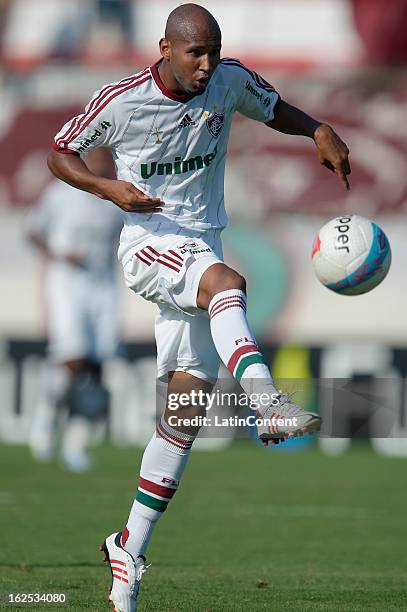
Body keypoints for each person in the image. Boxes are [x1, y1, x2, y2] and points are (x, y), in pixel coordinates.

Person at [47, 3, 351, 609]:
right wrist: (106, 187)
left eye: (214, 51)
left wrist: (316, 129)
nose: (208, 65)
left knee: (182, 415)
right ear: (164, 48)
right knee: (227, 282)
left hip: (201, 240)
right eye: (196, 53)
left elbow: (276, 109)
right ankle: (267, 403)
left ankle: (127, 548)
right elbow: (61, 152)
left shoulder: (230, 81)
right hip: (148, 245)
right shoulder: (122, 102)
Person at [28, 148, 123, 473]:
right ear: (83, 162)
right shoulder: (60, 193)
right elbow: (32, 232)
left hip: (105, 285)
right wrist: (59, 254)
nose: (103, 165)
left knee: (98, 365)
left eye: (107, 160)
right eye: (97, 159)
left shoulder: (115, 198)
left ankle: (75, 444)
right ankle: (46, 415)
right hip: (68, 283)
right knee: (73, 357)